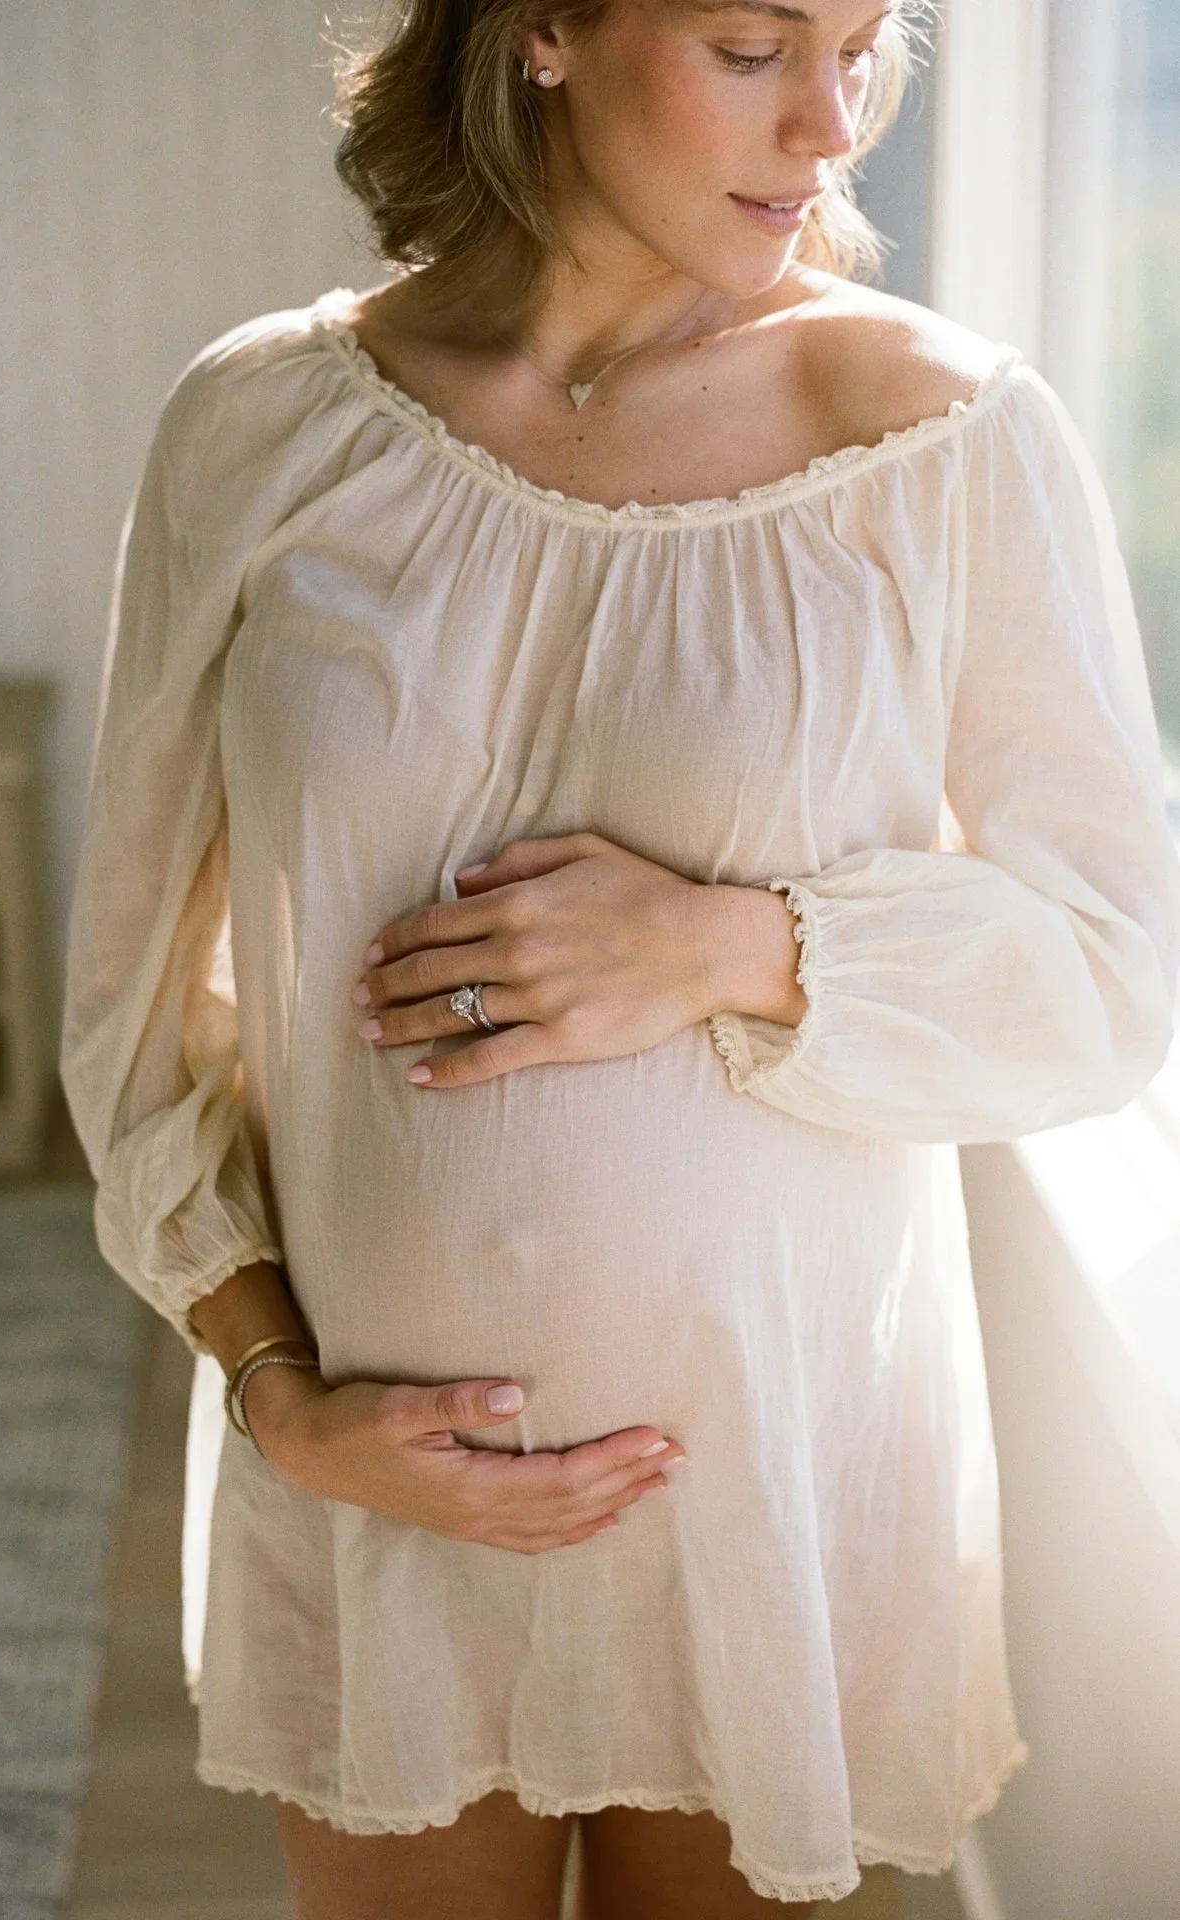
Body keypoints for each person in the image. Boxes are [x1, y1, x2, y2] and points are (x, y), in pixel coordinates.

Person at [58, 0, 1180, 1913]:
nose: (833, 123)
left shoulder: (940, 432)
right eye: (755, 46)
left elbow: (1111, 974)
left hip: (772, 1501)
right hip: (375, 1502)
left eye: (865, 42)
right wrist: (276, 1392)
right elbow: (140, 1000)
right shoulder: (257, 424)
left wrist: (732, 947)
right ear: (548, 29)